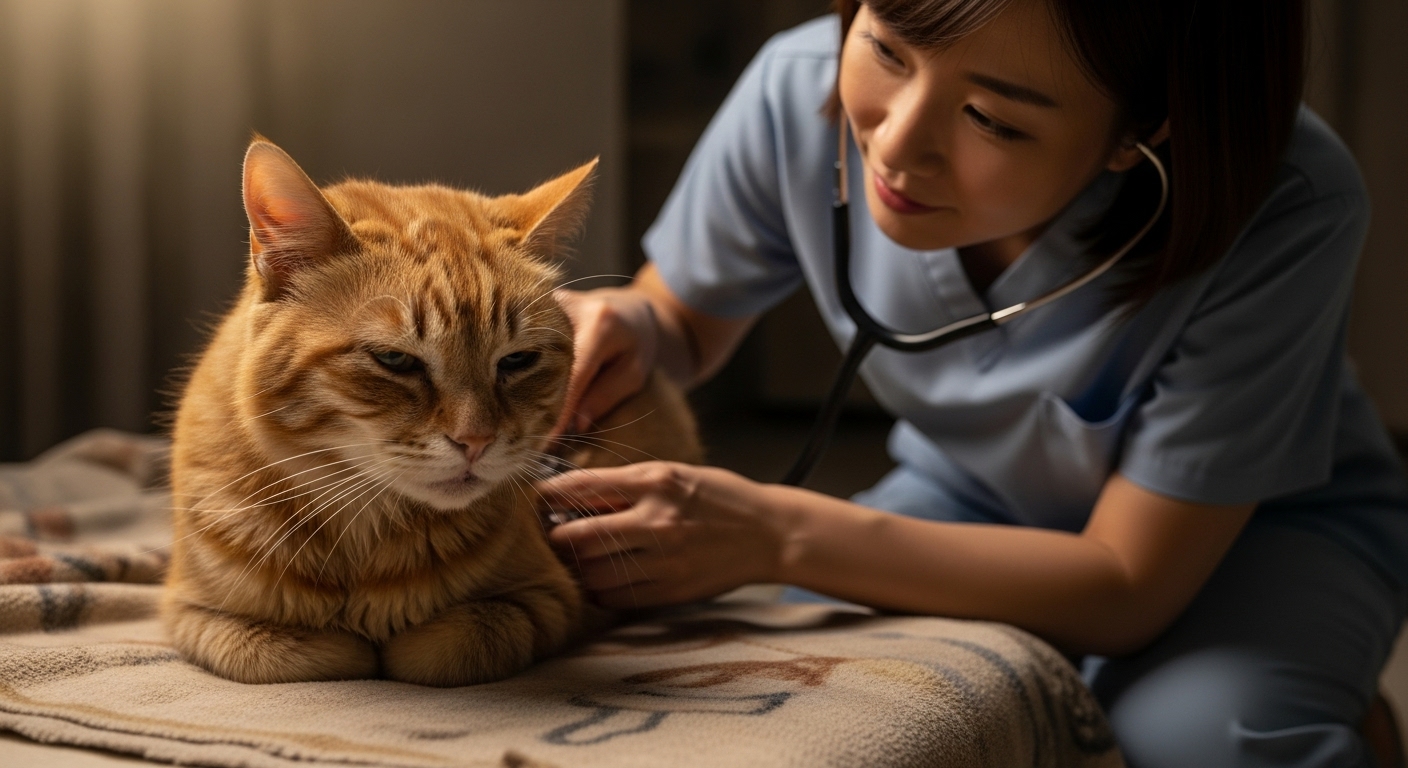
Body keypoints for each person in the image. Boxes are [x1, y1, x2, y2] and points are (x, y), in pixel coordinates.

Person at [536, 1, 1408, 765]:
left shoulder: (1291, 200)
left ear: (1143, 131)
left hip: (1257, 537)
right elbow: (685, 318)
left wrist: (775, 533)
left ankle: (1318, 711)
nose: (897, 142)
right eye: (886, 48)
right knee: (800, 686)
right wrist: (638, 325)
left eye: (992, 119)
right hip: (972, 496)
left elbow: (1127, 586)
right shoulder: (793, 89)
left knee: (1196, 739)